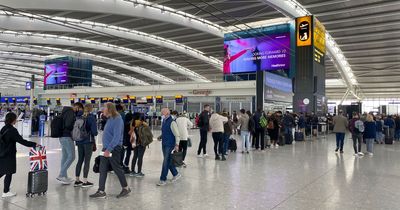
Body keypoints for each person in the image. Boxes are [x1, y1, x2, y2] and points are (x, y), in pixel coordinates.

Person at [90, 102, 130, 199]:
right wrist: (106, 149)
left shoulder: (118, 119)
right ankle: (101, 191)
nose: (103, 109)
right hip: (106, 148)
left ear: (110, 109)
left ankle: (126, 188)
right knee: (102, 169)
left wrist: (109, 149)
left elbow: (116, 137)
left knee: (117, 168)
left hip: (114, 149)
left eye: (104, 108)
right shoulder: (110, 119)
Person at [0, 112, 38, 198]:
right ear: (13, 120)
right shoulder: (13, 130)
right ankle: (6, 192)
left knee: (2, 170)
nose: (16, 120)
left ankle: (6, 189)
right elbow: (22, 141)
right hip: (9, 154)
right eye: (15, 119)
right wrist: (34, 144)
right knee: (8, 172)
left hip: (2, 152)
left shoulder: (3, 128)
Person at [74, 103, 98, 188]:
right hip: (88, 141)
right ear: (91, 109)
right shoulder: (91, 118)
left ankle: (77, 180)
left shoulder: (78, 117)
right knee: (86, 161)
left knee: (80, 160)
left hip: (79, 141)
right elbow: (95, 132)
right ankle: (85, 181)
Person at [157, 108, 181, 186]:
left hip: (170, 145)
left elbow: (177, 134)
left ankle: (163, 179)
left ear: (167, 113)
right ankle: (176, 174)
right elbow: (166, 131)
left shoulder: (172, 122)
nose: (161, 115)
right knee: (168, 160)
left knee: (165, 161)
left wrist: (177, 145)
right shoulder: (164, 121)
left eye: (162, 113)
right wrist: (160, 136)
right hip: (164, 143)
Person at [57, 103, 77, 185]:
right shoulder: (71, 112)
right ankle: (61, 174)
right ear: (75, 106)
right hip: (67, 136)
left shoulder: (64, 112)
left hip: (61, 136)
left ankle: (64, 176)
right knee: (72, 156)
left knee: (65, 156)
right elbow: (68, 124)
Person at [129, 113, 149, 177]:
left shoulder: (132, 123)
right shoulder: (143, 123)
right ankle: (139, 172)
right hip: (141, 142)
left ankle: (132, 171)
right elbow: (147, 130)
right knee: (140, 157)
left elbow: (130, 132)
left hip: (135, 142)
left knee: (135, 156)